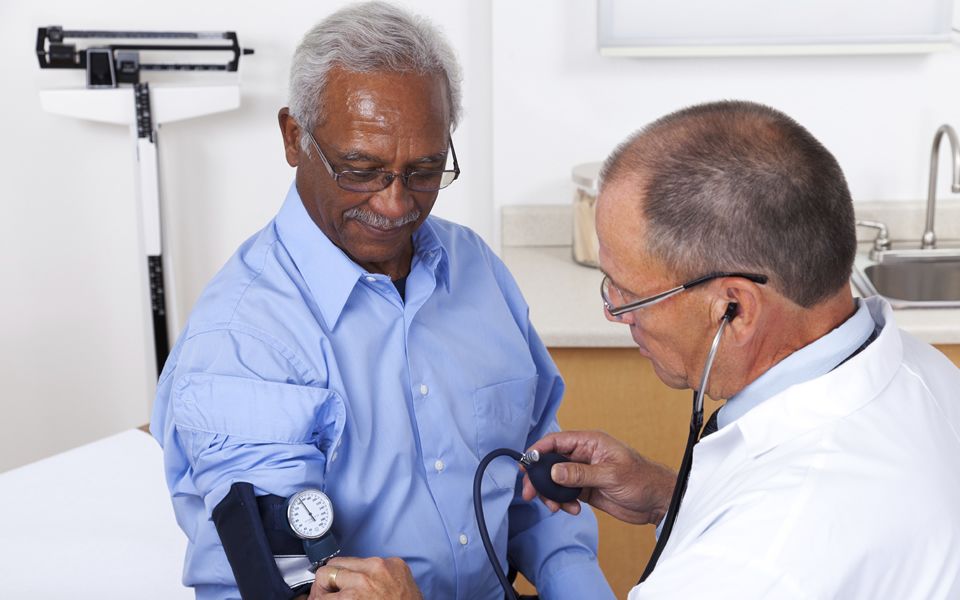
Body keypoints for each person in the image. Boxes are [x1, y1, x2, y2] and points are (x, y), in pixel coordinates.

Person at [150, 3, 613, 600]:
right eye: (361, 170)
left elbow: (533, 486)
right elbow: (281, 586)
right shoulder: (243, 343)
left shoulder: (475, 270)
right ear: (294, 138)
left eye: (423, 171)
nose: (396, 206)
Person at [518, 100, 960, 598]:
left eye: (628, 292)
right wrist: (674, 501)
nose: (614, 313)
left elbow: (769, 551)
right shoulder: (927, 372)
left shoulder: (751, 564)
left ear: (736, 307)